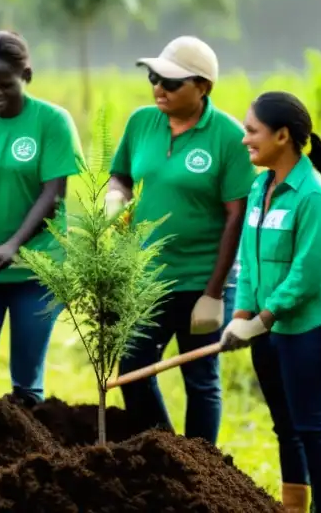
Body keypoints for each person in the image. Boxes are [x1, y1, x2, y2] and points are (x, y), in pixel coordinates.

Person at [106, 35, 257, 443]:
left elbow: (236, 215)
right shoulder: (142, 122)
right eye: (155, 78)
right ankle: (170, 453)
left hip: (201, 277)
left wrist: (214, 292)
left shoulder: (228, 137)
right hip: (148, 276)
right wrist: (115, 197)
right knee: (132, 373)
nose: (159, 88)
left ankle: (203, 467)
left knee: (201, 381)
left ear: (202, 87)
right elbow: (121, 172)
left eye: (171, 83)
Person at [220, 92, 321, 513]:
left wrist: (263, 319)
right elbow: (251, 262)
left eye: (252, 131)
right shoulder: (261, 186)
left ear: (282, 136)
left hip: (311, 327)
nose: (244, 140)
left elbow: (307, 275)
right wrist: (241, 314)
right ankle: (294, 506)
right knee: (285, 426)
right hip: (266, 325)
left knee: (313, 427)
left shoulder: (313, 195)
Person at [0, 30, 83, 405]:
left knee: (26, 381)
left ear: (27, 76)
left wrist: (13, 245)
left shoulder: (52, 121)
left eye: (5, 84)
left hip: (36, 267)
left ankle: (27, 458)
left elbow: (53, 194)